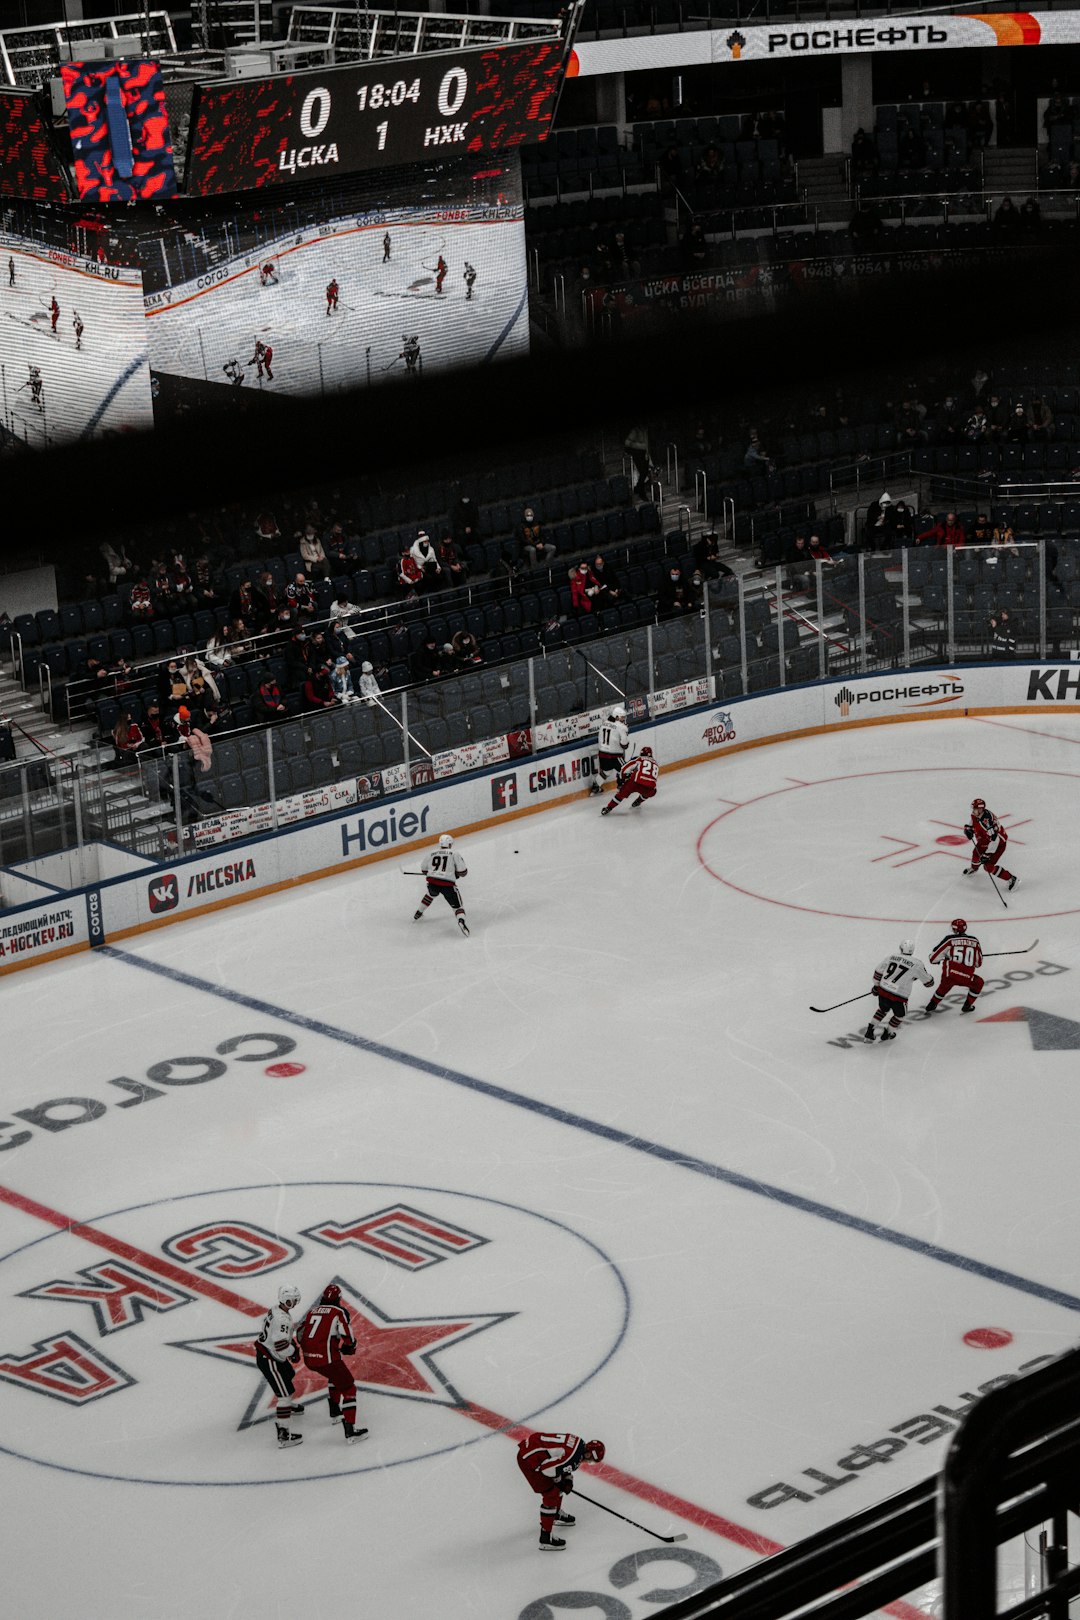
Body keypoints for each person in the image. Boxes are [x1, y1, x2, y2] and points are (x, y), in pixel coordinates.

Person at [298, 1283, 367, 1444]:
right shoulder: (339, 1312)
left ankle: (335, 1411)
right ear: (338, 1299)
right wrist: (349, 1347)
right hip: (327, 1359)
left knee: (334, 1376)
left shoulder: (312, 1312)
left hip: (309, 1359)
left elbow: (300, 1334)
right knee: (349, 1387)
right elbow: (348, 1337)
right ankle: (350, 1431)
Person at [516, 1432, 606, 1550]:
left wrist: (566, 1479)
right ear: (588, 1453)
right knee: (550, 1494)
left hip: (533, 1450)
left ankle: (555, 1514)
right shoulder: (574, 1457)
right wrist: (560, 1481)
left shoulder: (580, 1444)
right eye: (591, 1460)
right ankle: (546, 1538)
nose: (589, 1463)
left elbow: (561, 1461)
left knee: (559, 1484)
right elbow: (547, 1470)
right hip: (528, 1460)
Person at [254, 1281, 305, 1450]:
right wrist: (294, 1352)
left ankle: (287, 1407)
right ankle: (284, 1433)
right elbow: (281, 1346)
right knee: (285, 1395)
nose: (296, 1302)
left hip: (270, 1355)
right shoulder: (282, 1318)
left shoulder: (276, 1309)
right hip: (270, 1359)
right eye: (294, 1300)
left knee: (288, 1374)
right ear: (288, 1300)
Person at [864, 941, 934, 1043]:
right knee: (900, 1016)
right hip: (899, 996)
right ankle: (888, 1033)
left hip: (883, 990)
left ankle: (870, 1031)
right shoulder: (917, 964)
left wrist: (876, 986)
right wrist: (925, 978)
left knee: (882, 1010)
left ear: (901, 949)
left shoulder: (892, 957)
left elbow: (878, 972)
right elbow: (929, 983)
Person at [925, 919, 985, 1016]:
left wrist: (941, 958)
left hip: (950, 975)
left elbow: (933, 959)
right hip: (967, 976)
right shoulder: (975, 941)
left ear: (954, 930)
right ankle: (967, 1006)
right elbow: (978, 963)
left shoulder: (949, 940)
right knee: (979, 983)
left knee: (944, 986)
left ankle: (932, 1004)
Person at [414, 833, 469, 935]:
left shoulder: (431, 853)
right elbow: (463, 872)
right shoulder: (454, 853)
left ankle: (418, 913)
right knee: (457, 907)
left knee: (430, 894)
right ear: (450, 844)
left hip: (432, 883)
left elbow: (424, 869)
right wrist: (455, 873)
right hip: (447, 885)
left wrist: (433, 873)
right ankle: (461, 921)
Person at [964, 797, 1019, 890]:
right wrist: (968, 828)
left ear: (981, 809)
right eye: (973, 808)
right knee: (976, 853)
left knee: (988, 867)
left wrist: (987, 855)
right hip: (985, 840)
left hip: (998, 844)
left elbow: (995, 840)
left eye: (975, 809)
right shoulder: (977, 814)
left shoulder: (988, 824)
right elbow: (973, 821)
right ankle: (974, 868)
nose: (973, 811)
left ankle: (1011, 878)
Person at [601, 744, 659, 815]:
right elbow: (649, 777)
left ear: (641, 753)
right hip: (649, 788)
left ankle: (608, 808)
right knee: (653, 791)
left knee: (620, 794)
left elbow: (623, 769)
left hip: (635, 783)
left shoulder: (639, 759)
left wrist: (622, 780)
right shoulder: (656, 764)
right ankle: (638, 801)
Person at [590, 703, 629, 796]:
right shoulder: (622, 727)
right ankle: (621, 785)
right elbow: (625, 745)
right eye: (622, 717)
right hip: (614, 755)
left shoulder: (604, 723)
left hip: (602, 754)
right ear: (616, 717)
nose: (623, 719)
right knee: (626, 769)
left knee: (606, 771)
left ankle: (595, 787)